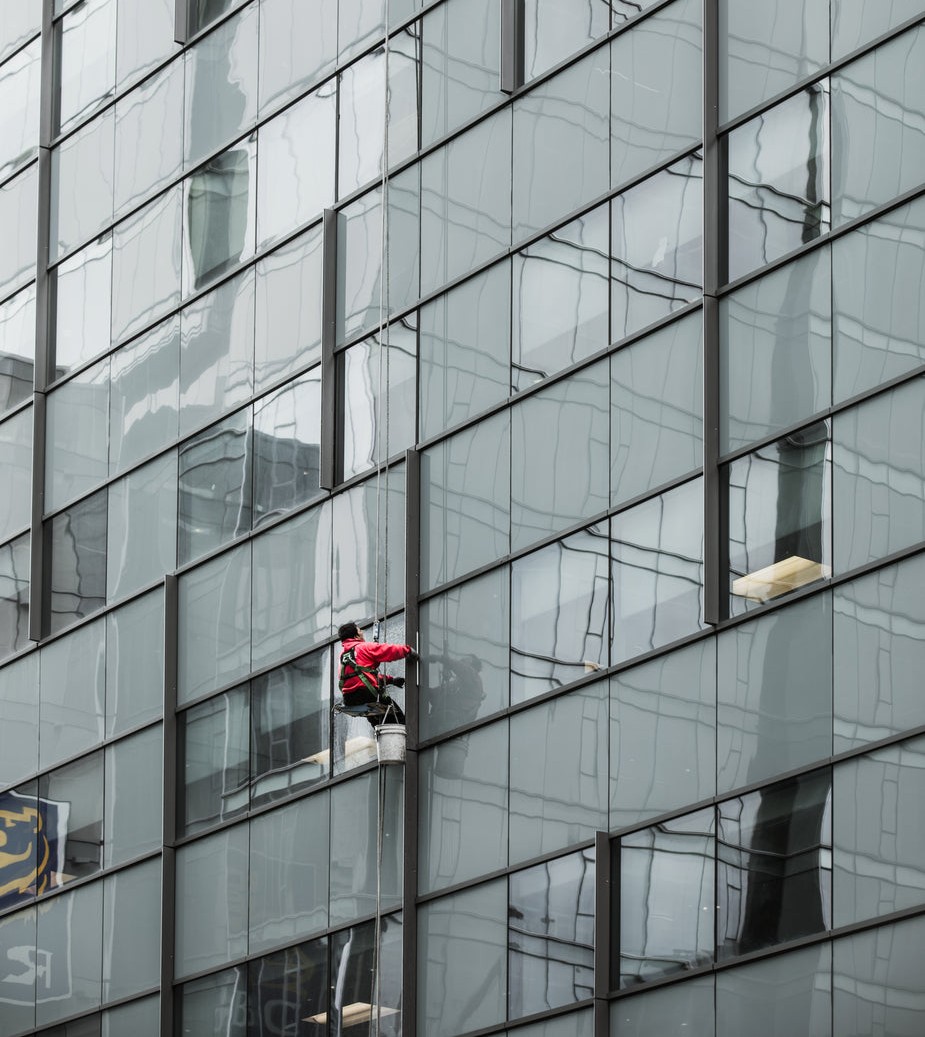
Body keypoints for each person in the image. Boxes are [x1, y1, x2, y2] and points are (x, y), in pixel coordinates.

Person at [337, 621, 418, 727]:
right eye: (360, 630)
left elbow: (361, 676)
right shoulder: (364, 647)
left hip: (350, 699)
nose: (362, 632)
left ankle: (381, 737)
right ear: (356, 635)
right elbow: (387, 651)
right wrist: (407, 651)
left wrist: (391, 680)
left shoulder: (343, 656)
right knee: (397, 718)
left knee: (378, 722)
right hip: (366, 694)